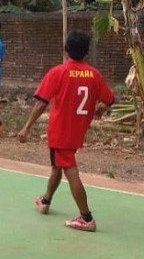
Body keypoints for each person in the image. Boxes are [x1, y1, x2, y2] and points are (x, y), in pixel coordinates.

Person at [18, 30, 115, 232]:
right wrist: (99, 109)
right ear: (87, 51)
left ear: (66, 48)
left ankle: (86, 218)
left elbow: (40, 104)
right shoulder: (95, 75)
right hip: (77, 130)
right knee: (58, 166)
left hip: (61, 131)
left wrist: (26, 128)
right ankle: (45, 201)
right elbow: (110, 100)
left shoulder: (58, 72)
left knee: (70, 170)